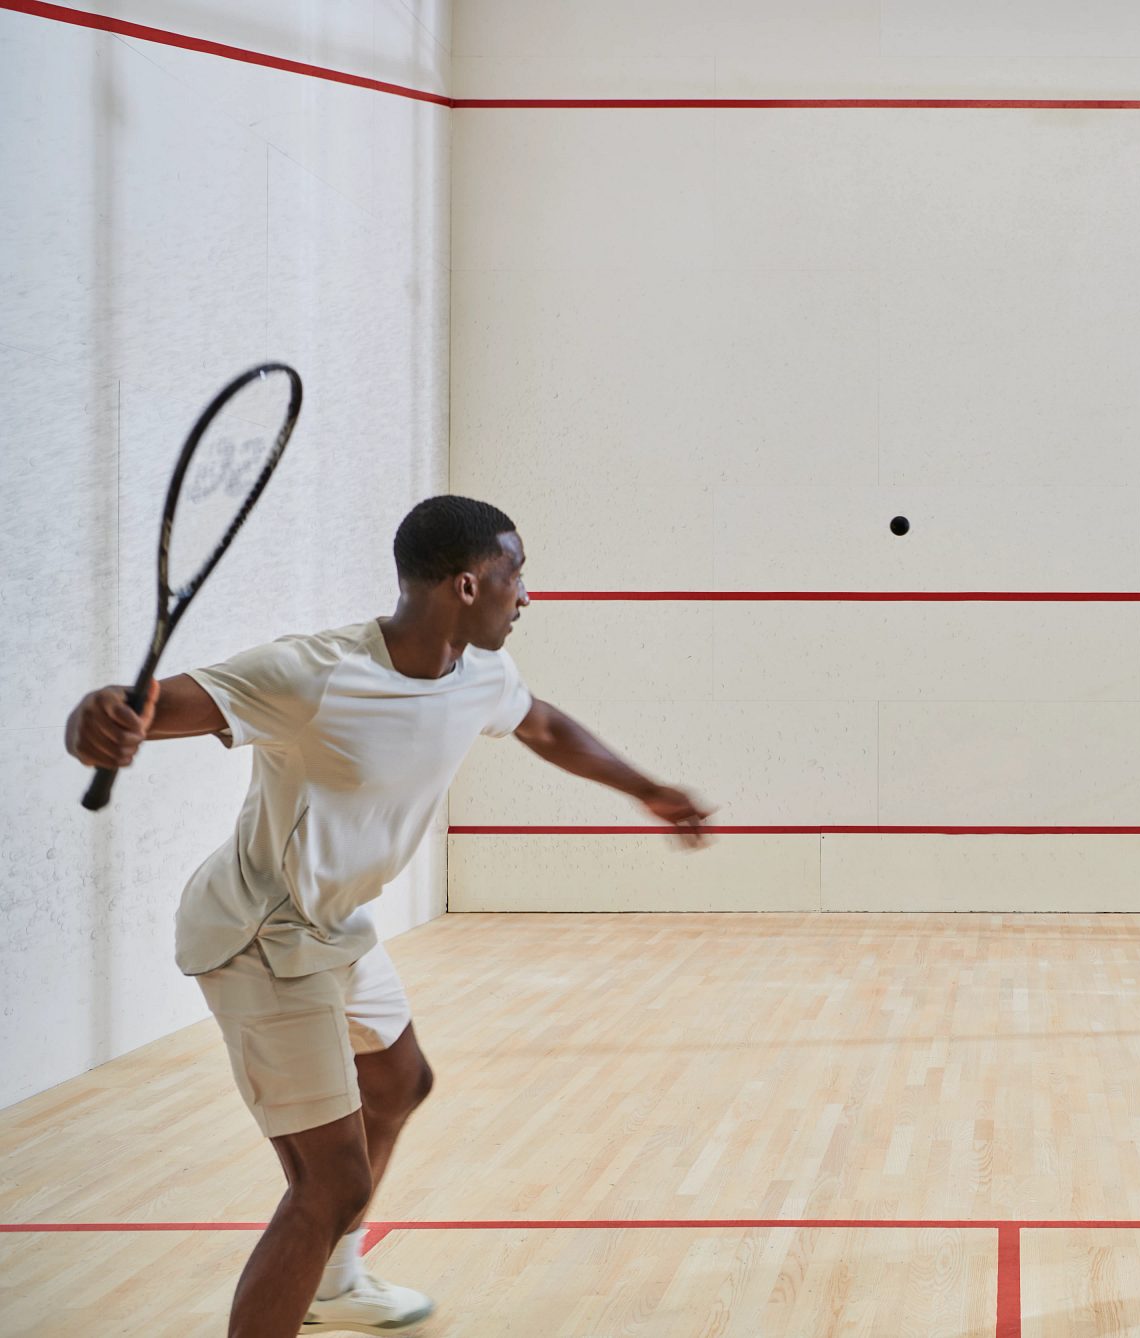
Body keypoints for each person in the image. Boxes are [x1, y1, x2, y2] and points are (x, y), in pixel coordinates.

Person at [64, 495, 714, 1338]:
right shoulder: (314, 672)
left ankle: (333, 1282)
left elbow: (543, 726)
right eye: (519, 574)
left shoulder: (481, 673)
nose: (529, 596)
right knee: (329, 1185)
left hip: (334, 927)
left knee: (400, 1080)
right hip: (261, 936)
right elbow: (155, 707)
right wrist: (99, 719)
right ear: (470, 585)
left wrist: (646, 791)